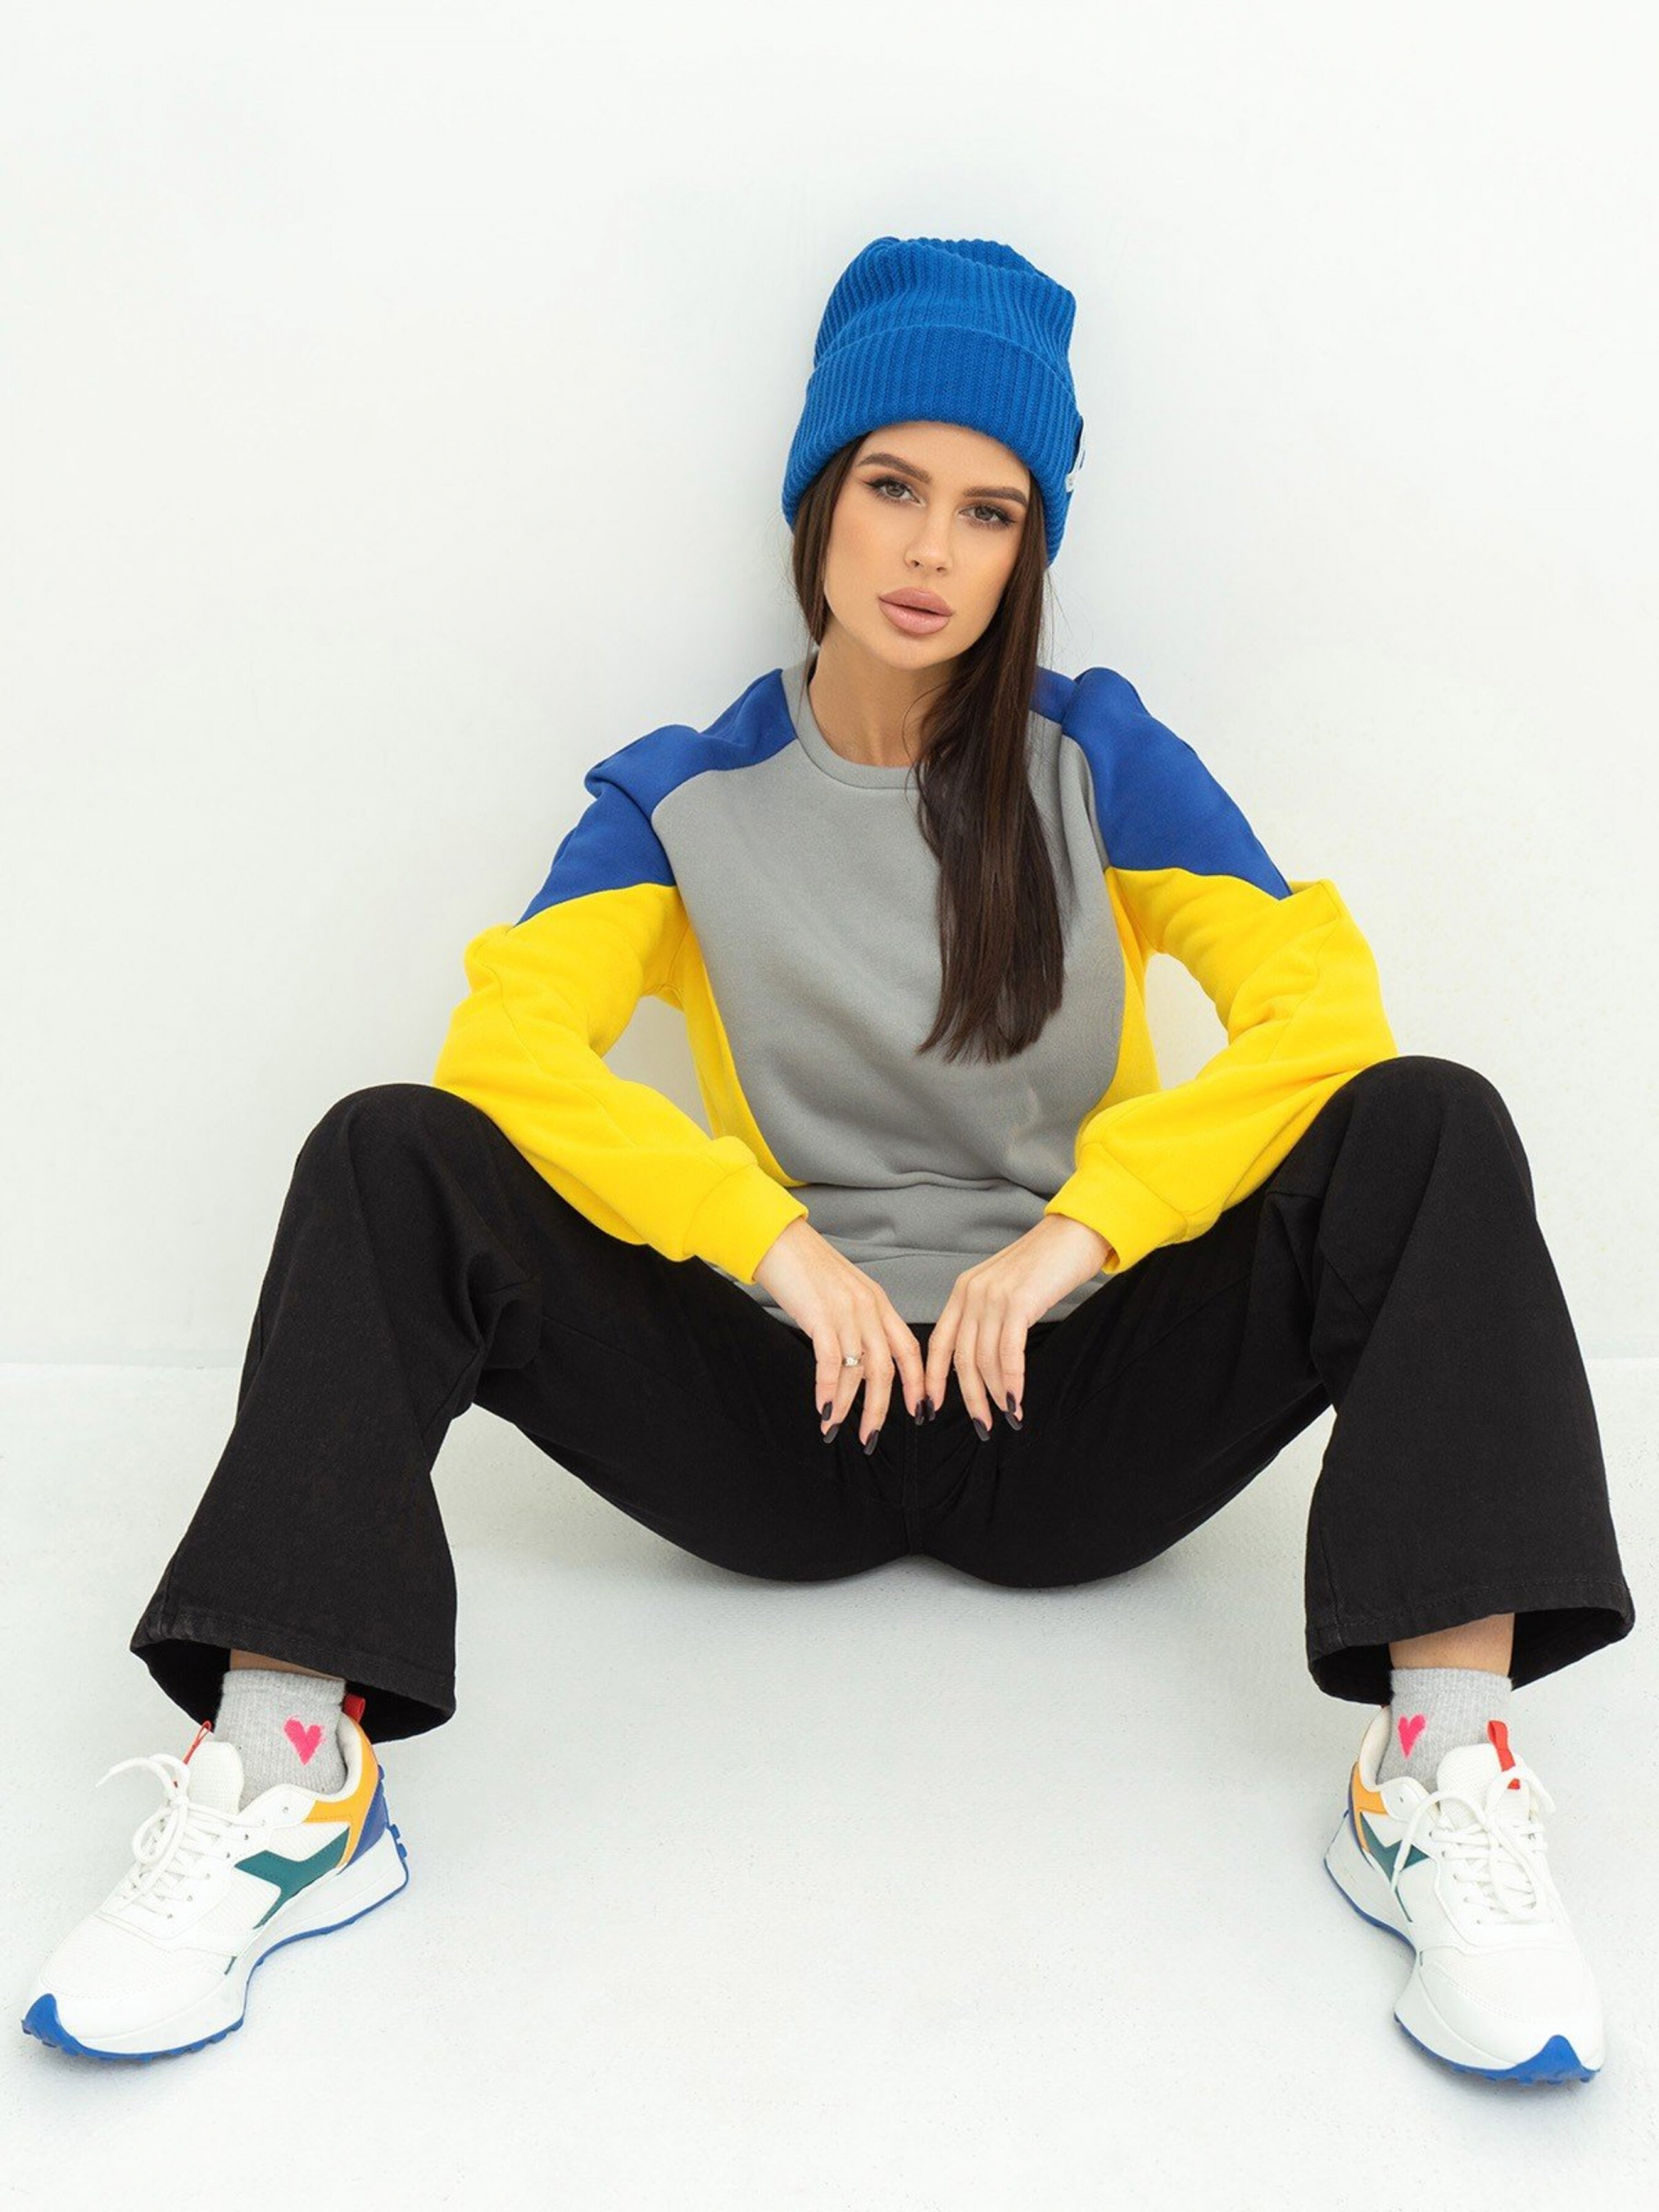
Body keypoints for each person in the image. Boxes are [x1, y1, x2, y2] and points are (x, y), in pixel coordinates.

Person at [21, 235, 1634, 2083]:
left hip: (1069, 1410)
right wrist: (770, 1246)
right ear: (817, 502)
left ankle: (1434, 1769)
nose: (931, 550)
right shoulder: (675, 794)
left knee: (1429, 1118)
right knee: (390, 1151)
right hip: (788, 1415)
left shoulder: (1100, 758)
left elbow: (1317, 1021)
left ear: (1028, 550)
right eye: (891, 487)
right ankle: (288, 1775)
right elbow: (507, 1054)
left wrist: (1082, 1237)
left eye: (987, 511)